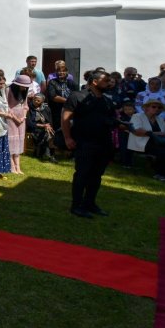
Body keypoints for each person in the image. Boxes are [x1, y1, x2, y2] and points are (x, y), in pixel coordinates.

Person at [62, 70, 118, 219]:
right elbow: (66, 118)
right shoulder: (77, 96)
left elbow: (110, 119)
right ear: (95, 81)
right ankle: (76, 205)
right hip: (84, 142)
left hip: (103, 143)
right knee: (82, 174)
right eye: (105, 80)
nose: (109, 83)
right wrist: (67, 138)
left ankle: (90, 203)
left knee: (96, 175)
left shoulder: (106, 100)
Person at [126, 98, 165, 182]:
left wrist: (160, 134)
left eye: (159, 108)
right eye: (154, 107)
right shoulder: (137, 116)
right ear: (146, 108)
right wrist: (155, 133)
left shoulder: (160, 119)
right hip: (143, 143)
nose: (157, 109)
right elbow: (137, 131)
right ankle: (161, 174)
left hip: (159, 142)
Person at [6, 75, 31, 174]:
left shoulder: (25, 91)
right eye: (23, 86)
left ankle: (18, 167)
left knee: (19, 141)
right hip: (11, 118)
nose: (25, 88)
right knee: (12, 141)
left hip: (21, 119)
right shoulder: (8, 90)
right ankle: (12, 166)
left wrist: (23, 117)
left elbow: (25, 106)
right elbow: (6, 106)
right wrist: (15, 118)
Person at [26, 93, 57, 162]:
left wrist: (48, 126)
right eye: (34, 100)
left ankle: (48, 155)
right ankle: (50, 155)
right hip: (34, 128)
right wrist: (43, 126)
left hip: (46, 128)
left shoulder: (46, 108)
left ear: (42, 101)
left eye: (38, 101)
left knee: (50, 133)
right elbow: (29, 123)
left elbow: (50, 121)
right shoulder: (29, 108)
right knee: (47, 134)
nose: (35, 102)